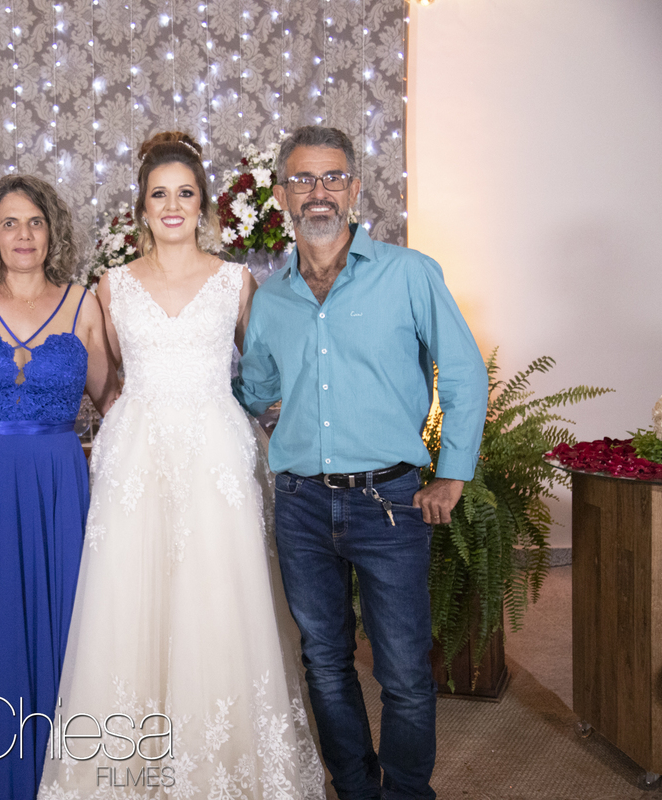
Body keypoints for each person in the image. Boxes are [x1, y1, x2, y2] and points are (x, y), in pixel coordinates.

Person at [40, 132, 325, 799]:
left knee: (218, 598)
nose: (172, 206)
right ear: (142, 206)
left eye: (185, 193)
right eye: (159, 194)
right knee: (127, 602)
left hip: (214, 452)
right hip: (136, 457)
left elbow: (262, 374)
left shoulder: (235, 281)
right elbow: (106, 379)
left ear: (204, 206)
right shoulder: (111, 286)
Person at [234, 125, 489, 800]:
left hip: (389, 504)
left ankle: (405, 793)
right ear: (281, 195)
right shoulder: (272, 298)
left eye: (332, 177)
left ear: (354, 188)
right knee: (323, 662)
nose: (317, 192)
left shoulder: (409, 273)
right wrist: (239, 404)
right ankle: (354, 787)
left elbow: (464, 372)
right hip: (301, 506)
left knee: (402, 670)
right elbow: (254, 387)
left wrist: (453, 472)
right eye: (302, 179)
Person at [0, 174, 118, 800]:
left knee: (61, 619)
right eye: (10, 222)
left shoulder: (83, 303)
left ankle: (56, 774)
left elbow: (110, 396)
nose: (23, 234)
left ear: (52, 231)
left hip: (54, 484)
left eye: (35, 222)